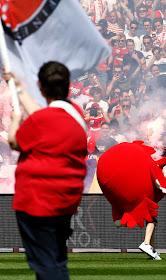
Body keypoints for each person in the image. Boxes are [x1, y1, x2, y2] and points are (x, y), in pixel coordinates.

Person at [7, 61, 87, 279]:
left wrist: (15, 120)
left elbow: (14, 141)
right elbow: (46, 114)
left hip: (36, 200)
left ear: (41, 87)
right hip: (65, 200)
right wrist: (18, 88)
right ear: (68, 86)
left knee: (47, 265)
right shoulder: (75, 115)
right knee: (56, 259)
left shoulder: (39, 121)